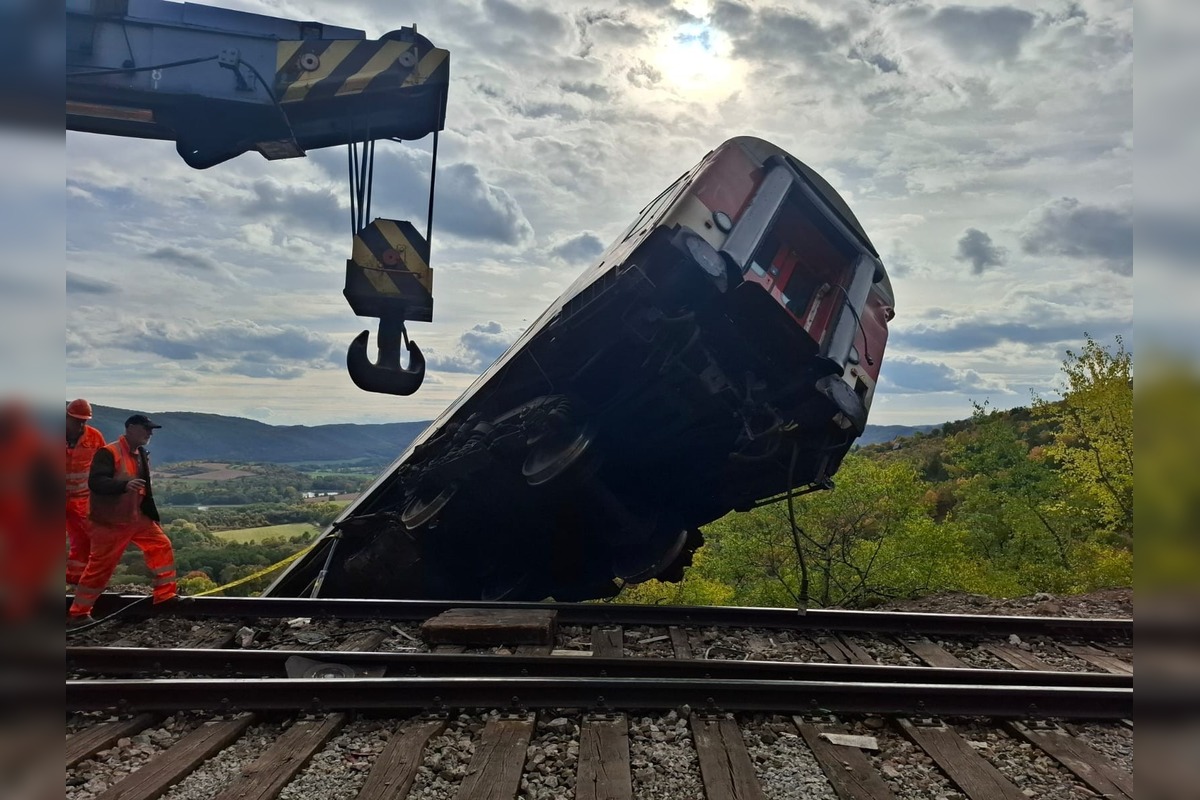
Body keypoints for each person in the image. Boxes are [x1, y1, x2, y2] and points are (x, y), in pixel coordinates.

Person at [68, 413, 178, 623]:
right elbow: (96, 482)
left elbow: (145, 489)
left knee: (162, 546)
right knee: (100, 568)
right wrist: (123, 485)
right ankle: (78, 613)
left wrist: (150, 514)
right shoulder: (108, 452)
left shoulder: (141, 453)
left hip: (137, 518)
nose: (150, 433)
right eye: (146, 428)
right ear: (130, 428)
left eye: (151, 429)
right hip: (110, 522)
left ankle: (165, 596)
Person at [65, 399, 106, 589]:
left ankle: (76, 580)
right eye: (76, 420)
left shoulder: (94, 437)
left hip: (81, 499)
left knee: (84, 540)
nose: (81, 424)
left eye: (84, 420)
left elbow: (105, 465)